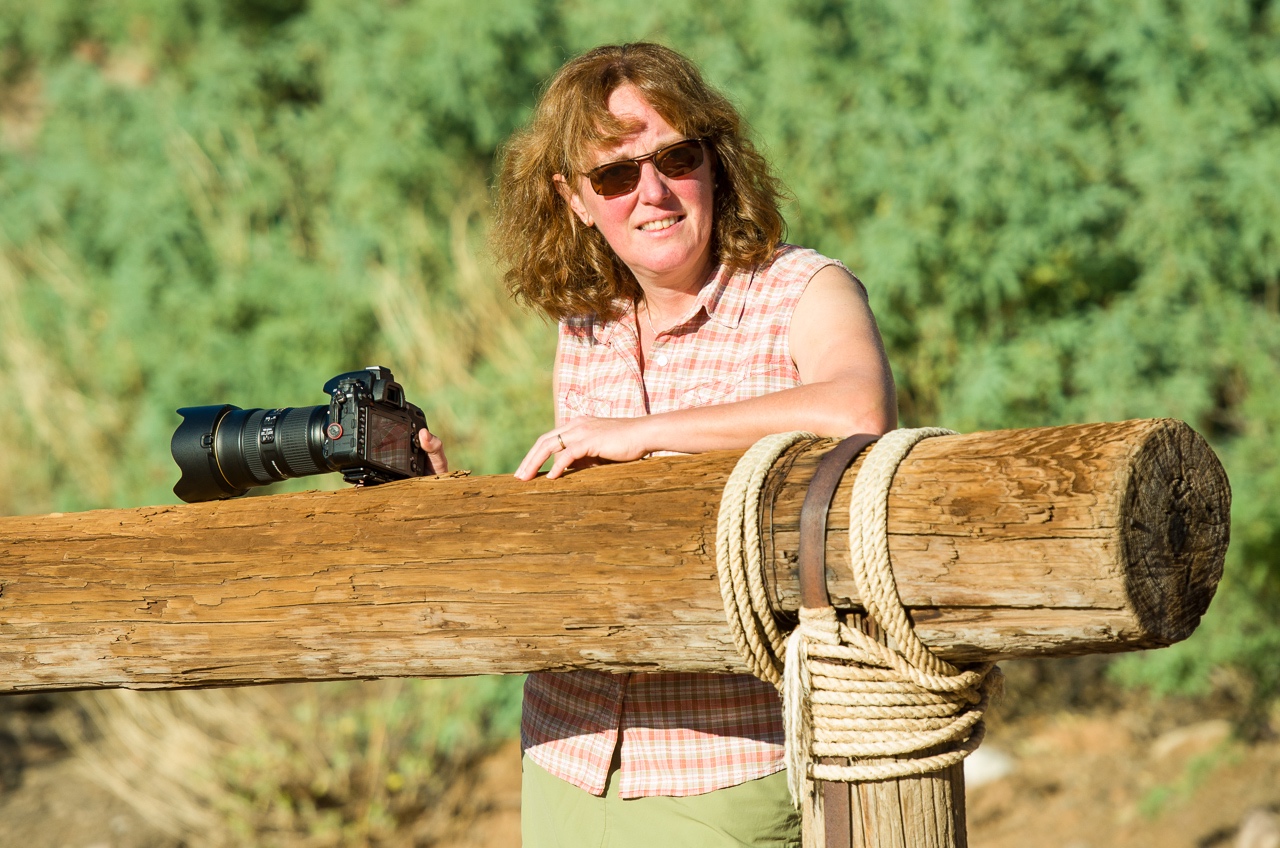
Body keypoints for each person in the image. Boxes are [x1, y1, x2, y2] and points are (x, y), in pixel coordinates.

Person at [428, 42, 896, 848]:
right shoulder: (588, 326)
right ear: (573, 198)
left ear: (714, 163)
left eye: (675, 158)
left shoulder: (803, 290)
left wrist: (639, 437)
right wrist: (456, 503)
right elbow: (586, 524)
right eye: (614, 175)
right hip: (565, 751)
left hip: (726, 765)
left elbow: (857, 411)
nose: (651, 191)